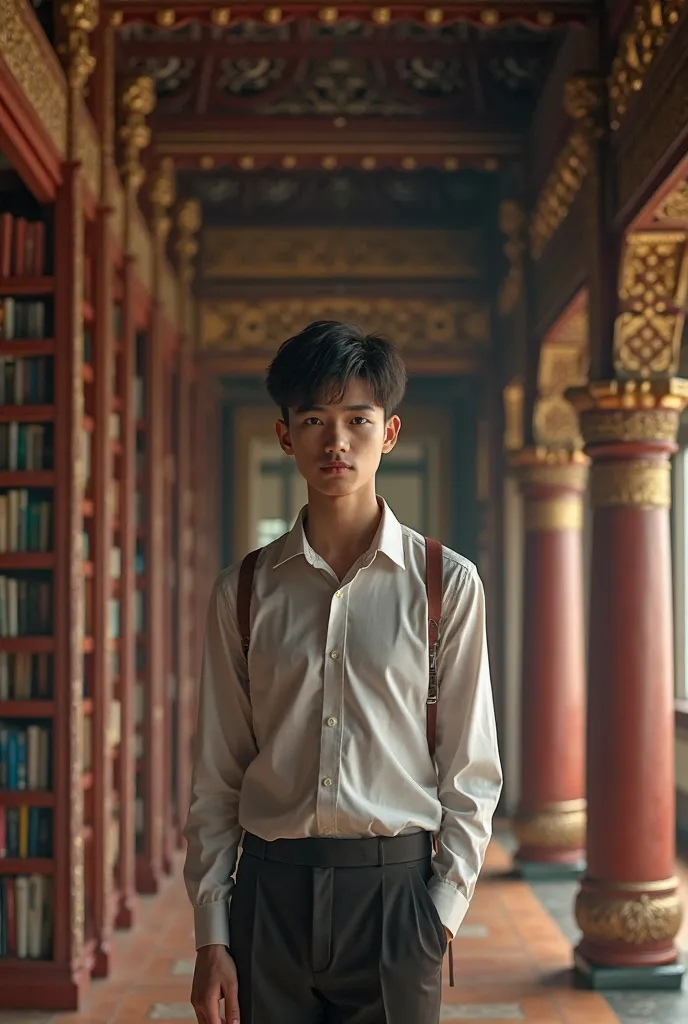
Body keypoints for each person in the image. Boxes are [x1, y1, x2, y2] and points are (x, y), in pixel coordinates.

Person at [183, 320, 502, 1024]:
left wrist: (439, 917)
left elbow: (471, 769)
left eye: (357, 419)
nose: (336, 441)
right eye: (315, 420)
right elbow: (217, 775)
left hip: (396, 902)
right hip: (268, 893)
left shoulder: (447, 585)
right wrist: (212, 933)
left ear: (388, 433)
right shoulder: (243, 591)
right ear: (285, 435)